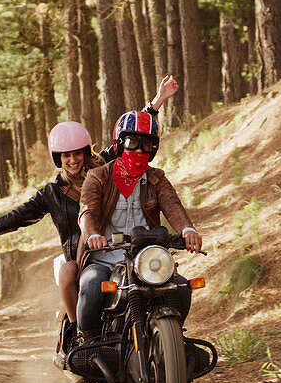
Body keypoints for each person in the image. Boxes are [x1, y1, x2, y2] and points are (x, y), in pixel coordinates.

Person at [0, 76, 180, 333]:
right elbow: (14, 217)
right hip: (84, 257)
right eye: (66, 156)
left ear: (86, 152)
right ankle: (76, 330)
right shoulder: (51, 193)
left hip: (121, 247)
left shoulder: (104, 168)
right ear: (58, 159)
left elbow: (132, 136)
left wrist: (158, 101)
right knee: (68, 273)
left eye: (77, 154)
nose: (73, 160)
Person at [75, 108, 203, 341]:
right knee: (91, 285)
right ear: (121, 142)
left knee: (182, 288)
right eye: (132, 142)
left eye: (147, 145)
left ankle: (172, 342)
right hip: (105, 256)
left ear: (153, 149)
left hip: (147, 259)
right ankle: (88, 342)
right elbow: (87, 211)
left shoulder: (157, 178)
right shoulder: (98, 176)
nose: (139, 150)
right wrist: (93, 234)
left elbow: (173, 205)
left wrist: (188, 230)